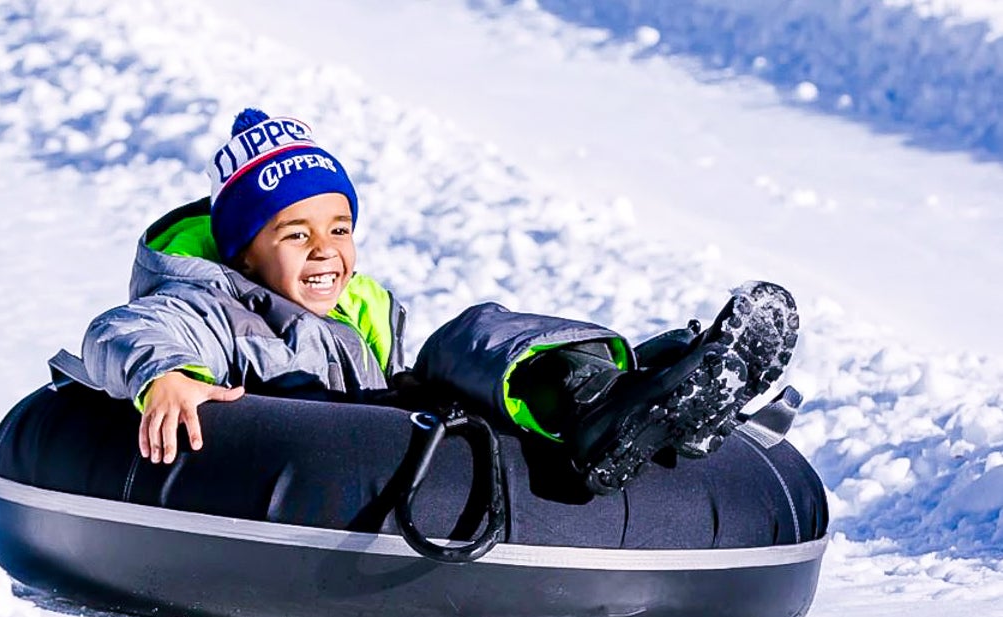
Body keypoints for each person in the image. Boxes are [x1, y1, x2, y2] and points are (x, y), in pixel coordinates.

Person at [82, 109, 798, 495]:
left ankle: (625, 390)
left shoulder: (354, 314)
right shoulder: (208, 307)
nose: (325, 250)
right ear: (244, 253)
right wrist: (164, 376)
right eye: (293, 235)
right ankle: (620, 405)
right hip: (314, 448)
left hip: (378, 424)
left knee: (466, 338)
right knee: (448, 356)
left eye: (339, 229)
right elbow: (125, 328)